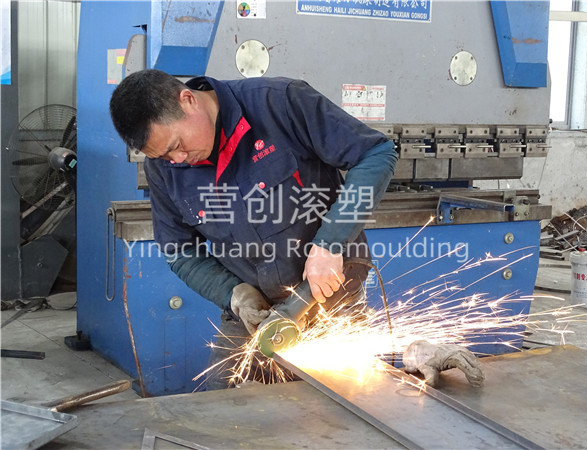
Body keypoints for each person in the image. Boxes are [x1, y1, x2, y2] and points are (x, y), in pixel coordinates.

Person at [109, 69, 483, 390]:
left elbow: (376, 153)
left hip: (330, 308)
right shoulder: (166, 167)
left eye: (177, 145)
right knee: (227, 414)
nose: (177, 159)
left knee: (342, 414)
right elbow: (179, 251)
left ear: (188, 100)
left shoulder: (279, 102)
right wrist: (234, 294)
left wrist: (330, 244)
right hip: (251, 322)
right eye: (164, 156)